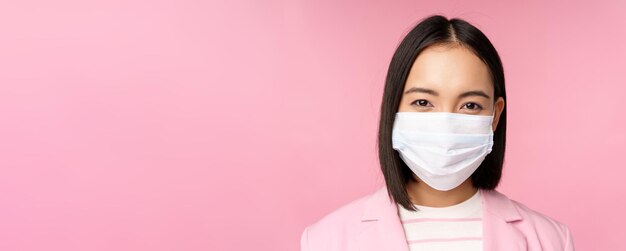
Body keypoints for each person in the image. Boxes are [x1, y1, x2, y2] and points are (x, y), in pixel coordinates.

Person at [300, 15, 574, 251]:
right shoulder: (326, 240)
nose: (445, 125)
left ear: (495, 115)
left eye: (470, 105)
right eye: (422, 102)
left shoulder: (551, 240)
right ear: (393, 107)